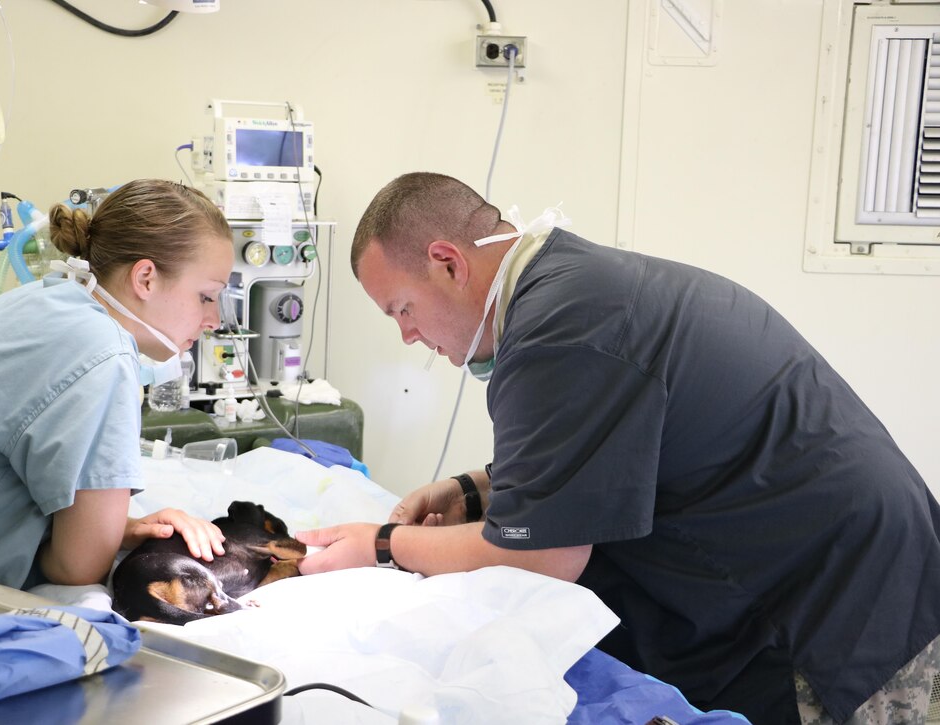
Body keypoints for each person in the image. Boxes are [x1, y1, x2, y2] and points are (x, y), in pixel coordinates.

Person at [296, 172, 940, 724]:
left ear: (448, 262)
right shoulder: (571, 286)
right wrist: (470, 489)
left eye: (402, 309)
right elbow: (607, 439)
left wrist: (380, 546)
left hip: (839, 596)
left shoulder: (559, 330)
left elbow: (544, 556)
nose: (408, 336)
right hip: (855, 545)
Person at [0, 179, 233, 598]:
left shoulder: (46, 301)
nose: (214, 320)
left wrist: (119, 530)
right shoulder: (103, 352)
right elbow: (77, 568)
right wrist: (100, 539)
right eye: (206, 297)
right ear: (145, 278)